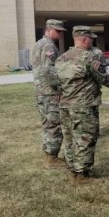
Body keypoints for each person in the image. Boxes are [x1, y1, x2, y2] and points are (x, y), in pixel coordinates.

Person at [55, 26, 109, 185]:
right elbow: (104, 79)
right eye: (91, 38)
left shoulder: (61, 58)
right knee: (86, 137)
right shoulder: (89, 58)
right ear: (84, 39)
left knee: (70, 138)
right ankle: (82, 175)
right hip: (84, 106)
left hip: (64, 105)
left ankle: (73, 170)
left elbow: (55, 83)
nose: (93, 40)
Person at [30, 19, 67, 170]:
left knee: (47, 124)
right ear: (49, 29)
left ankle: (49, 156)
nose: (60, 34)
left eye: (61, 31)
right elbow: (48, 69)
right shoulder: (48, 45)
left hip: (42, 91)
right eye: (57, 31)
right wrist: (58, 88)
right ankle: (51, 159)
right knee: (54, 124)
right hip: (49, 91)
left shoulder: (39, 43)